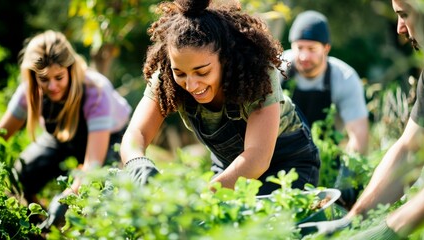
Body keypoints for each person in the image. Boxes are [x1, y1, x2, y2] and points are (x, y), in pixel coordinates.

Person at [120, 0, 321, 196]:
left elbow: (257, 159)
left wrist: (200, 198)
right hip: (229, 167)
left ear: (224, 59)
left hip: (287, 164)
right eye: (180, 73)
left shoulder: (256, 73)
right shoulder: (167, 79)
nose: (191, 84)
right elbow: (136, 133)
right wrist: (139, 164)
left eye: (202, 72)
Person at [299, 0, 424, 239]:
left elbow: (358, 136)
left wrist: (388, 229)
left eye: (405, 14)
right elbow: (411, 149)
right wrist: (352, 221)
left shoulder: (343, 77)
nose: (399, 28)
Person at [0, 30, 132, 227]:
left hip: (109, 139)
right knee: (20, 174)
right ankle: (39, 223)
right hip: (64, 136)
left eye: (58, 77)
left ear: (70, 70)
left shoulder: (96, 91)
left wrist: (68, 196)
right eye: (44, 79)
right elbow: (2, 133)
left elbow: (92, 162)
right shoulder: (30, 90)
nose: (52, 86)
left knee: (102, 188)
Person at [281, 10, 370, 209]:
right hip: (282, 160)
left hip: (328, 163)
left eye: (312, 48)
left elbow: (359, 136)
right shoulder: (278, 69)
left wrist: (346, 178)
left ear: (326, 48)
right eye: (299, 47)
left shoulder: (345, 78)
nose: (304, 56)